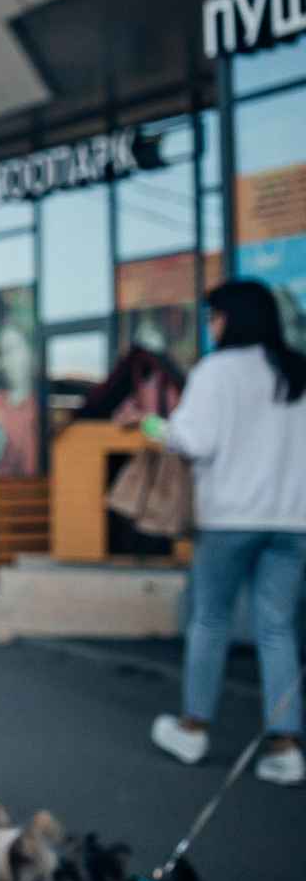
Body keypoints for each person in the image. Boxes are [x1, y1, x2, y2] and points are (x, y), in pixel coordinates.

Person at [152, 279, 306, 786]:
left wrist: (159, 427)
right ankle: (285, 748)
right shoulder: (295, 370)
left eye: (212, 315)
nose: (210, 323)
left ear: (231, 317)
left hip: (230, 518)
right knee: (276, 628)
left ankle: (193, 728)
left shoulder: (217, 371)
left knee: (211, 619)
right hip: (292, 520)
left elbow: (194, 440)